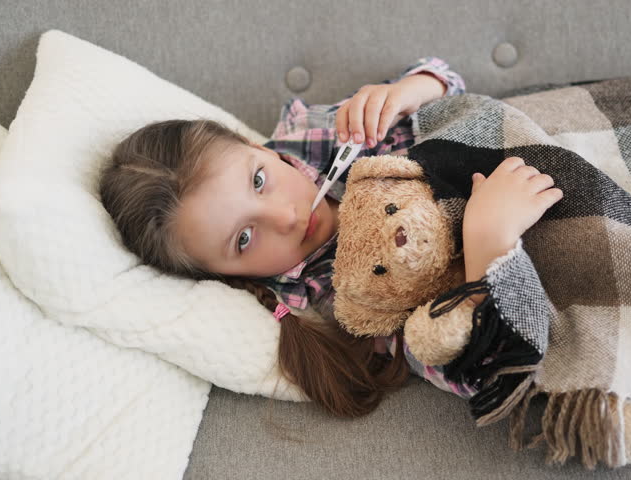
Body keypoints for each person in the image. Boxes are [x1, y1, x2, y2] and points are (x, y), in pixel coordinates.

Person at [98, 58, 563, 418]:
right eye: (244, 239)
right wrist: (489, 240)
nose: (286, 217)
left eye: (259, 180)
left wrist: (409, 91)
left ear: (258, 149)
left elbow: (450, 82)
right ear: (224, 276)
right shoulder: (332, 301)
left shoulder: (321, 133)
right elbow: (472, 369)